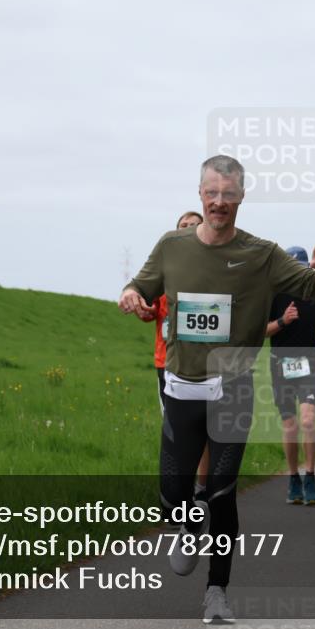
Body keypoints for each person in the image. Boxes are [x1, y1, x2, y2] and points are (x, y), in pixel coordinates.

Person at [119, 155, 315, 623]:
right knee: (172, 488)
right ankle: (183, 524)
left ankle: (217, 591)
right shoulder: (172, 246)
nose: (219, 203)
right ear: (200, 194)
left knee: (221, 491)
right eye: (212, 193)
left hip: (232, 389)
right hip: (181, 387)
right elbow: (138, 285)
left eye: (229, 194)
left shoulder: (262, 253)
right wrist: (131, 296)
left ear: (241, 197)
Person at [138, 211, 208, 507]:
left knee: (203, 430)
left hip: (206, 364)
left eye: (194, 226)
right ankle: (177, 497)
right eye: (183, 227)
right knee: (175, 429)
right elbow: (149, 307)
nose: (188, 230)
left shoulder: (213, 270)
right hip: (167, 362)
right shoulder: (166, 268)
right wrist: (143, 309)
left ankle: (202, 488)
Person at [266, 246, 315, 506]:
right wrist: (283, 321)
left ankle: (311, 476)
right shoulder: (274, 295)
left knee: (308, 421)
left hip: (308, 363)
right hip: (280, 364)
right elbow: (261, 331)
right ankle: (293, 477)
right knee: (290, 425)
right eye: (294, 267)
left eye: (303, 267)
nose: (299, 272)